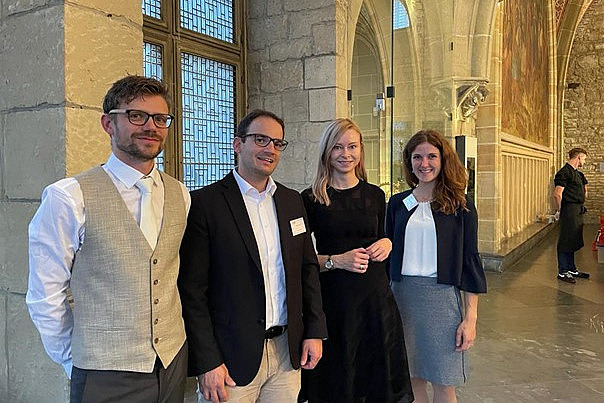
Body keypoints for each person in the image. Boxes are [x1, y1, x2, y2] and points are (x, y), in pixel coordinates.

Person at [26, 75, 191, 402]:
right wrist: (74, 360)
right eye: (136, 116)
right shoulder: (69, 197)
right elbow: (45, 293)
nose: (151, 126)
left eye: (160, 118)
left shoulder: (180, 194)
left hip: (172, 362)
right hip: (104, 373)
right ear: (108, 124)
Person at [178, 109, 327, 403]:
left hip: (286, 351)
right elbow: (192, 291)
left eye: (277, 143)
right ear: (238, 144)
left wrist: (314, 330)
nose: (270, 149)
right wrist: (207, 361)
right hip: (229, 358)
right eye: (260, 139)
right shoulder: (205, 204)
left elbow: (307, 270)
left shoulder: (292, 201)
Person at [299, 118, 413, 403]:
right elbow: (298, 257)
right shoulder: (311, 198)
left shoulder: (375, 194)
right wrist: (336, 260)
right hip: (335, 303)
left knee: (374, 379)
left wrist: (387, 243)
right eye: (337, 147)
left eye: (352, 146)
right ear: (327, 151)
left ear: (361, 150)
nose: (345, 154)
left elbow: (383, 237)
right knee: (339, 379)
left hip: (374, 301)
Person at [386, 130, 487, 403]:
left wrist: (471, 318)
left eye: (432, 156)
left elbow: (469, 262)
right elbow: (386, 256)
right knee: (411, 378)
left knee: (444, 380)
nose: (424, 163)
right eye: (417, 157)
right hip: (401, 299)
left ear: (443, 160)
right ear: (409, 162)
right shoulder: (397, 204)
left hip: (442, 302)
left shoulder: (460, 206)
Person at [553, 147, 589, 283]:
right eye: (584, 158)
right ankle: (562, 271)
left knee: (573, 240)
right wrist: (560, 211)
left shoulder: (576, 173)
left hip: (577, 210)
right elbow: (557, 194)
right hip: (568, 210)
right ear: (578, 157)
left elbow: (584, 188)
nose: (584, 162)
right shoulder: (564, 173)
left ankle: (571, 268)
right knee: (565, 241)